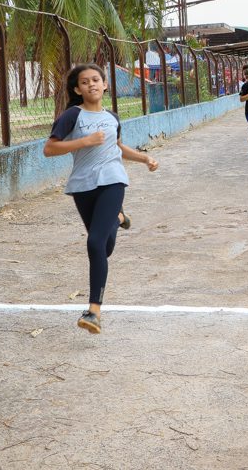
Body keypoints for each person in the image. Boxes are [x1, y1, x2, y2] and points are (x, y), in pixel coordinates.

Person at [44, 63, 159, 334]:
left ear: (105, 84)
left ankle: (93, 311)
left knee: (95, 242)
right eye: (85, 82)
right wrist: (84, 142)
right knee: (103, 249)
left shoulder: (112, 117)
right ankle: (118, 217)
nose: (91, 84)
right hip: (83, 185)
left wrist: (143, 157)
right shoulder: (72, 116)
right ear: (77, 89)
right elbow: (49, 149)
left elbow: (116, 147)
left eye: (96, 80)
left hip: (112, 181)